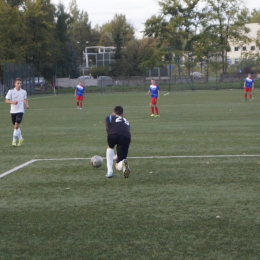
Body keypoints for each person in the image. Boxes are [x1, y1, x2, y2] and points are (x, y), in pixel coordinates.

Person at [105, 105, 131, 178]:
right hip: (126, 137)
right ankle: (123, 163)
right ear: (122, 115)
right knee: (118, 165)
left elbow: (108, 129)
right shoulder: (127, 121)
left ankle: (110, 171)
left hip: (113, 134)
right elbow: (126, 131)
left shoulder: (109, 117)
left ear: (113, 113)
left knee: (110, 147)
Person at [5, 78, 29, 147]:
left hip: (20, 111)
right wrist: (12, 102)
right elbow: (6, 101)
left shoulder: (23, 91)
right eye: (18, 83)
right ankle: (21, 139)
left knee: (16, 126)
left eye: (20, 83)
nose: (19, 85)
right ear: (15, 84)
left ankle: (14, 141)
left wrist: (26, 105)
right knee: (16, 127)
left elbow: (25, 99)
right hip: (13, 111)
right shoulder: (11, 91)